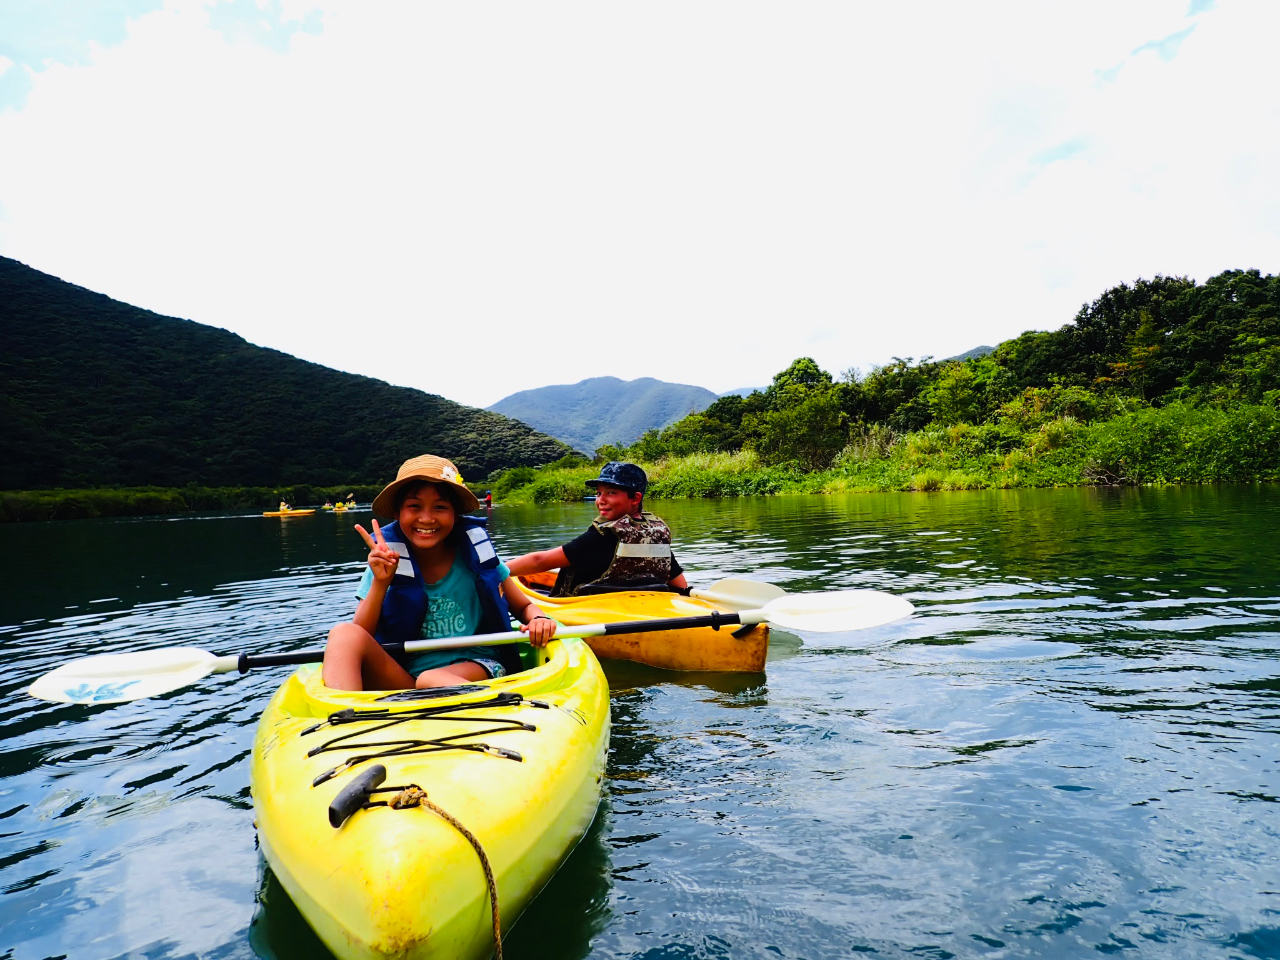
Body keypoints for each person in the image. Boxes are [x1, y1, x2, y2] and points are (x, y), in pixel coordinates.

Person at [322, 454, 557, 691]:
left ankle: (499, 703)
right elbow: (361, 638)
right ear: (397, 513)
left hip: (479, 666)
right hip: (409, 680)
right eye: (414, 506)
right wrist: (381, 583)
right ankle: (342, 715)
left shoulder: (479, 556)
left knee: (431, 679)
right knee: (343, 634)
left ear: (455, 514)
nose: (426, 518)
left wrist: (538, 618)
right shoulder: (385, 563)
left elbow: (524, 606)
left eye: (440, 507)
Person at [506, 461, 689, 596]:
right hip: (638, 606)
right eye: (599, 493)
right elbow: (680, 585)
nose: (601, 500)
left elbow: (539, 561)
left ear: (635, 498)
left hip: (594, 610)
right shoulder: (655, 533)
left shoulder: (602, 536)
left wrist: (496, 571)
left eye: (611, 493)